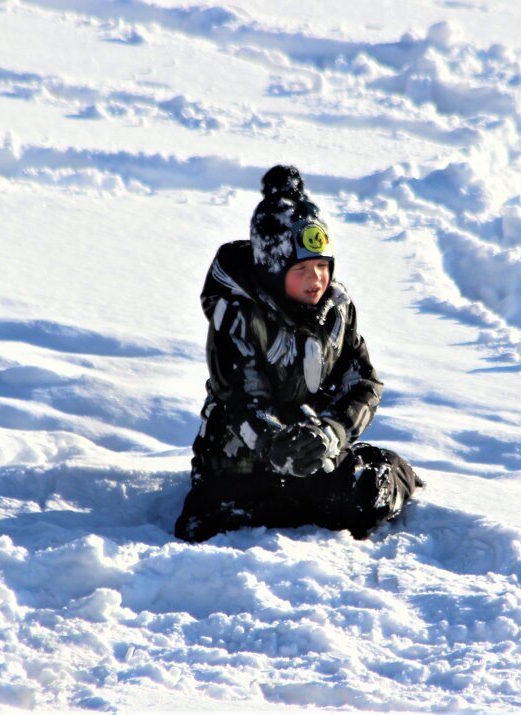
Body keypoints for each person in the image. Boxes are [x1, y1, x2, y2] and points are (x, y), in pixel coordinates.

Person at [174, 165, 420, 542]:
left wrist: (330, 433)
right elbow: (241, 397)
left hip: (311, 454)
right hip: (238, 463)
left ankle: (343, 487)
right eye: (302, 268)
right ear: (273, 269)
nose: (316, 278)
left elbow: (363, 383)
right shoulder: (238, 315)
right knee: (206, 523)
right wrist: (275, 443)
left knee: (370, 491)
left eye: (322, 266)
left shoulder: (335, 310)